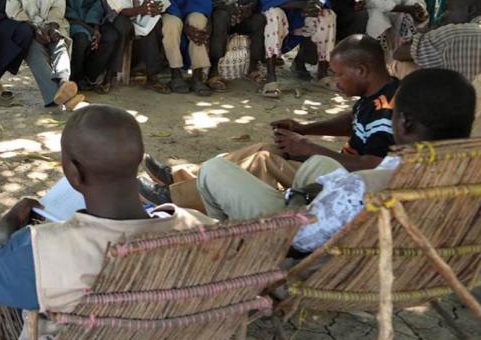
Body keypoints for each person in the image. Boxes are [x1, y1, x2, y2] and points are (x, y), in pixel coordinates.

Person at [0, 104, 215, 339]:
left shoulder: (43, 250)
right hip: (168, 331)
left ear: (74, 172)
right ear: (139, 159)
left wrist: (11, 219)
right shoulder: (202, 229)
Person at [194, 68, 474, 253]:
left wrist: (297, 199)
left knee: (214, 169)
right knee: (319, 165)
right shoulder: (467, 176)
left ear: (406, 123)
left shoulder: (367, 186)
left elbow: (299, 239)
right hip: (401, 252)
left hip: (292, 243)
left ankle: (230, 250)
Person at [141, 35, 399, 207]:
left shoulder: (389, 110)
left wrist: (309, 148)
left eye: (339, 75)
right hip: (339, 170)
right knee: (266, 148)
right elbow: (353, 121)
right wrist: (304, 129)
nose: (336, 82)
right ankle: (178, 176)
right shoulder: (375, 94)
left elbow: (373, 167)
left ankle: (174, 197)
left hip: (347, 185)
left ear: (362, 71)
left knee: (264, 162)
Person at [5, 0, 85, 109]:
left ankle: (63, 83)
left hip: (52, 23)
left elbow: (58, 5)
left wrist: (52, 26)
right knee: (33, 49)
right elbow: (12, 9)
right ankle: (63, 94)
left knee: (60, 43)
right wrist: (34, 28)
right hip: (25, 26)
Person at [95, 0, 171, 90]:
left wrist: (154, 6)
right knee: (123, 27)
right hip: (115, 16)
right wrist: (144, 9)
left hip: (140, 12)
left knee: (155, 22)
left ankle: (152, 76)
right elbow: (121, 8)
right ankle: (109, 76)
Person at [392, 0, 481, 82]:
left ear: (471, 10)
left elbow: (399, 53)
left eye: (449, 9)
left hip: (459, 96)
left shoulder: (454, 34)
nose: (444, 15)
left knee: (402, 65)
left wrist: (429, 33)